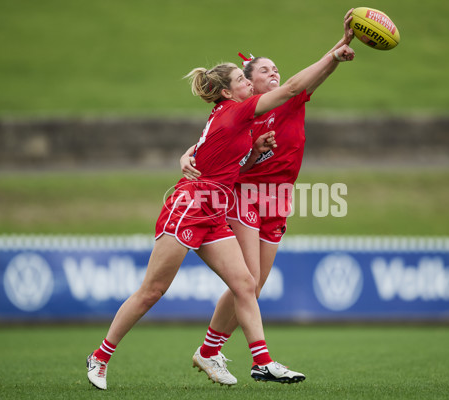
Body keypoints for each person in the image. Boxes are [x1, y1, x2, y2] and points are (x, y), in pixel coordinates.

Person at [85, 43, 355, 390]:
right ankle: (101, 356)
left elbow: (221, 153)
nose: (249, 82)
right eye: (243, 79)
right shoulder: (236, 111)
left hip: (215, 209)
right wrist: (334, 53)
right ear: (228, 92)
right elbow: (289, 88)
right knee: (153, 290)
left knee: (245, 284)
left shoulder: (238, 119)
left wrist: (248, 152)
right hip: (191, 206)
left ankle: (262, 362)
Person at [180, 9, 356, 386]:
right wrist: (186, 154)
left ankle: (209, 351)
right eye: (264, 70)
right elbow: (205, 145)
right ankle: (253, 359)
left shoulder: (288, 101)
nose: (274, 73)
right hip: (245, 196)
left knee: (252, 286)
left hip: (278, 198)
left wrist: (337, 54)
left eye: (276, 69)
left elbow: (306, 80)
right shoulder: (240, 113)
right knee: (248, 280)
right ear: (247, 81)